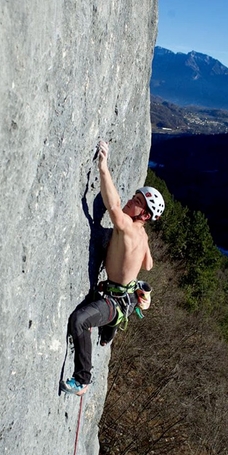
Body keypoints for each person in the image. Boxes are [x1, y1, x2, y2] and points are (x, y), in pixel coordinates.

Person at [61, 140, 165, 396]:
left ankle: (83, 379)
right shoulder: (143, 235)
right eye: (135, 196)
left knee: (79, 321)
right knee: (107, 316)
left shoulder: (128, 228)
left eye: (138, 201)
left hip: (115, 301)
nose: (132, 200)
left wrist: (103, 167)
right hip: (125, 295)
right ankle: (109, 331)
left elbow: (114, 206)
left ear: (145, 215)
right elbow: (149, 265)